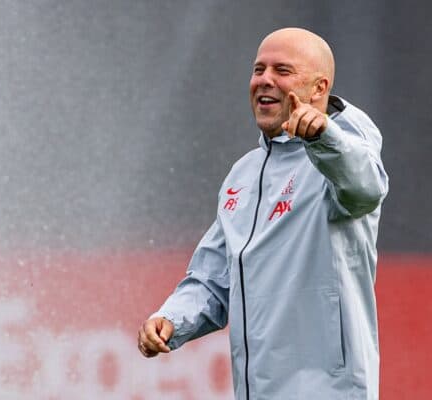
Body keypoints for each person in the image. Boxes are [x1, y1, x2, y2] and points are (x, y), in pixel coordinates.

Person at [137, 27, 389, 400]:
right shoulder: (243, 173)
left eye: (282, 71)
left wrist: (325, 137)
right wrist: (171, 319)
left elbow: (366, 188)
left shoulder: (342, 154)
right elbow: (214, 278)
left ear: (319, 89)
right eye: (259, 69)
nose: (264, 80)